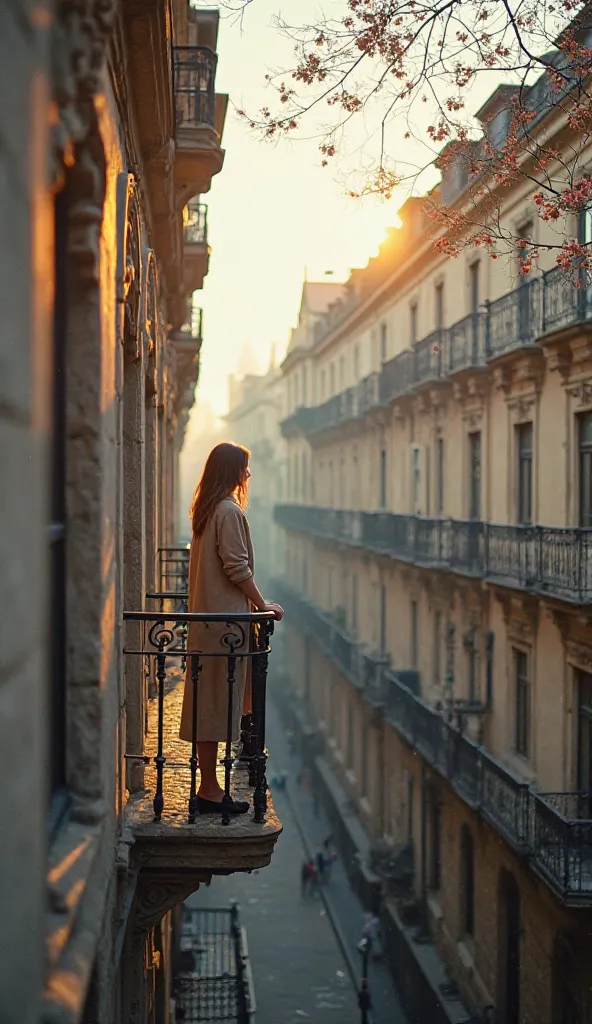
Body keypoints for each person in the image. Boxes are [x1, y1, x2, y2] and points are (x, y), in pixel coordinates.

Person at [179, 442, 284, 813]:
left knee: (208, 704)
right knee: (217, 705)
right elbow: (237, 568)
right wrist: (263, 605)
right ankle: (209, 790)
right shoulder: (228, 511)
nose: (249, 474)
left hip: (209, 624)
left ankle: (210, 785)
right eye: (245, 467)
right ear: (231, 471)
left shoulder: (207, 510)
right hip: (225, 627)